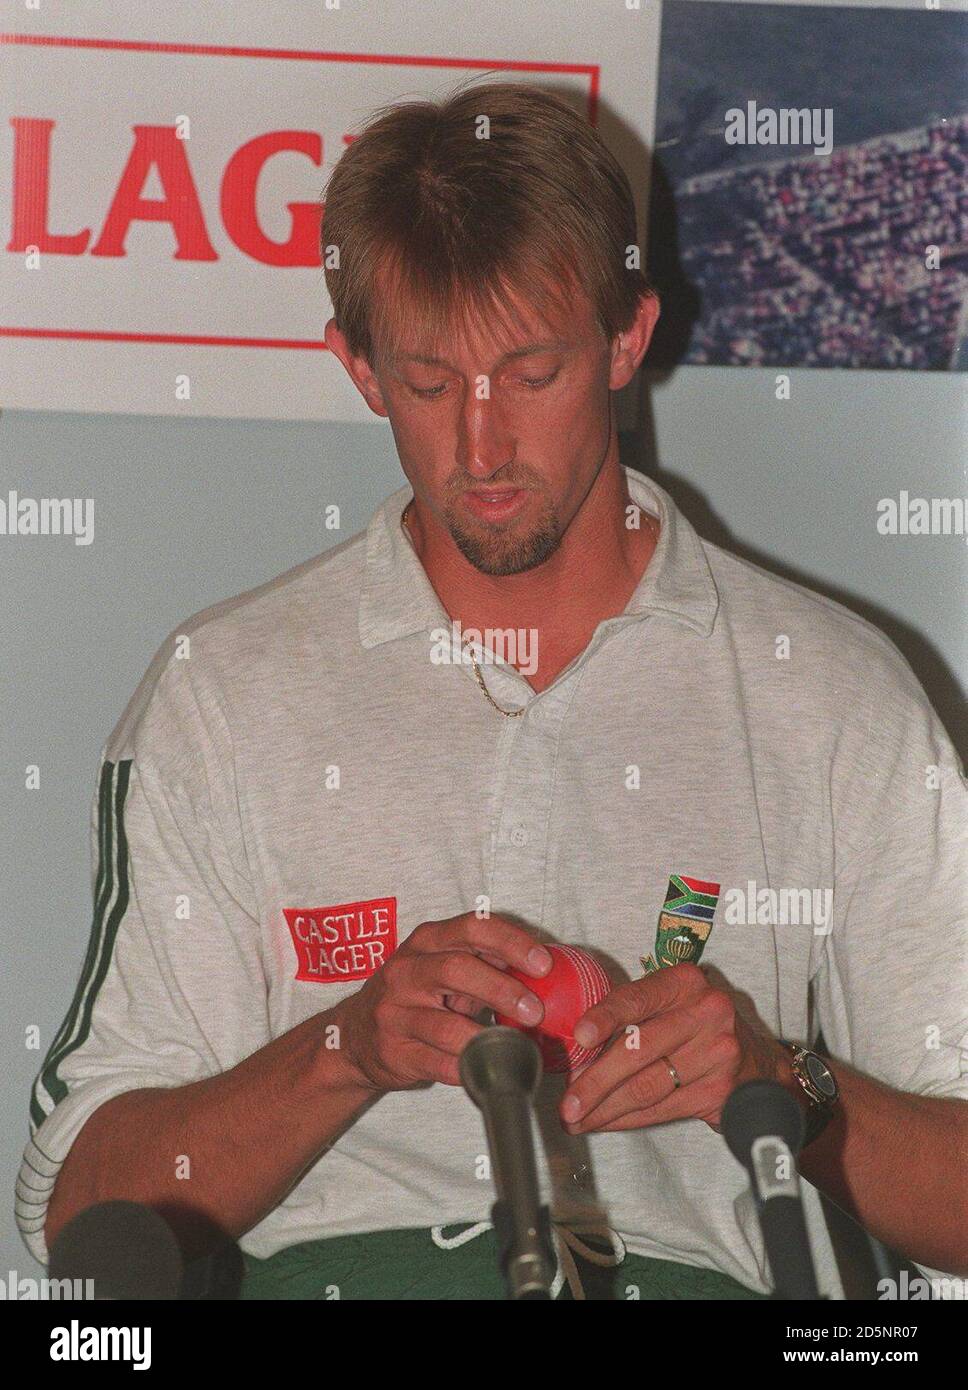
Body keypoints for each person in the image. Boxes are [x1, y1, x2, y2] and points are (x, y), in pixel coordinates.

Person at [16, 81, 968, 1301]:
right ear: (354, 365)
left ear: (628, 338)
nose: (481, 449)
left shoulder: (834, 696)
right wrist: (343, 1050)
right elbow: (80, 1208)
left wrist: (783, 1089)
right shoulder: (227, 689)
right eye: (426, 382)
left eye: (530, 372)